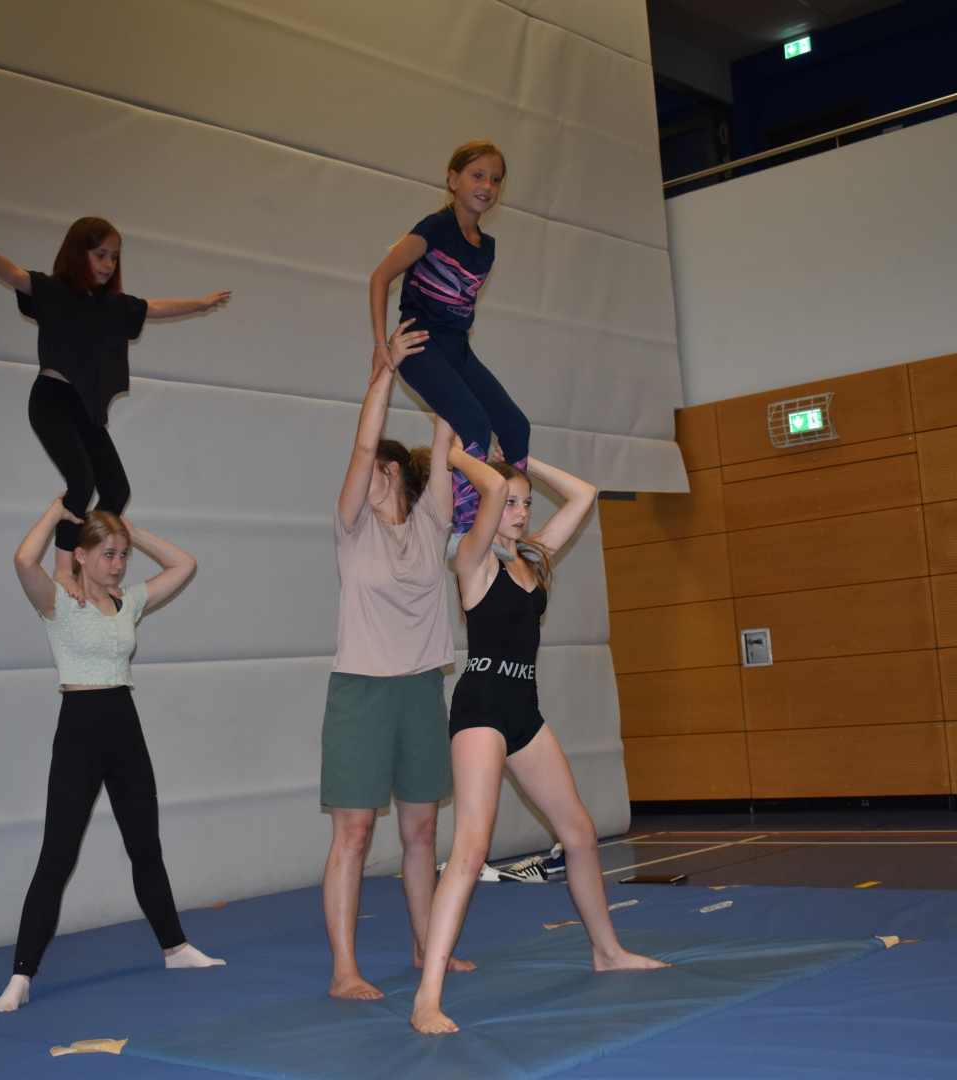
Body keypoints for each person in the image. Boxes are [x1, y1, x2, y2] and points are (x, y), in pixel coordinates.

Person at [410, 449, 666, 1034]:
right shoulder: (472, 559)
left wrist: (527, 460)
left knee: (579, 833)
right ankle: (428, 997)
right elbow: (490, 493)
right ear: (487, 504)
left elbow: (584, 494)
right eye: (511, 502)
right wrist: (460, 454)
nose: (522, 511)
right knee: (471, 848)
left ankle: (607, 951)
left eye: (526, 503)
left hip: (524, 709)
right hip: (481, 711)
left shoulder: (532, 558)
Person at [0, 498, 224, 1013]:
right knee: (57, 857)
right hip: (79, 732)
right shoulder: (57, 602)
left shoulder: (128, 602)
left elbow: (185, 564)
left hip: (125, 729)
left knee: (146, 846)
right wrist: (57, 513)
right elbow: (23, 560)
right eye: (108, 554)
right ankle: (21, 976)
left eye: (122, 555)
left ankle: (176, 948)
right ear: (81, 555)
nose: (118, 564)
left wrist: (132, 530)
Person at [0, 217, 229, 602]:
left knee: (116, 489)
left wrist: (201, 303)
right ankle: (63, 567)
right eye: (100, 255)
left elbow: (155, 307)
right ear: (79, 252)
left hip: (87, 412)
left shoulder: (112, 306)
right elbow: (13, 274)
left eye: (114, 257)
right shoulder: (54, 290)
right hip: (52, 400)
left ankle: (87, 566)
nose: (108, 263)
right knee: (81, 481)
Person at [322, 319, 475, 1000]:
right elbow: (363, 442)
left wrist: (450, 359)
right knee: (354, 833)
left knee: (422, 830)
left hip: (419, 691)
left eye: (374, 470)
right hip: (361, 692)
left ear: (392, 473)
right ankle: (344, 970)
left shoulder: (432, 522)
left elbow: (446, 431)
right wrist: (385, 369)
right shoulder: (353, 529)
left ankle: (425, 946)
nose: (363, 475)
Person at [367, 141, 529, 548]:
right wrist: (380, 343)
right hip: (421, 344)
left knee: (515, 427)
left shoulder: (487, 248)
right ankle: (465, 528)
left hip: (456, 348)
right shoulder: (435, 228)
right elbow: (380, 277)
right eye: (478, 176)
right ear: (453, 180)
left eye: (495, 180)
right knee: (475, 425)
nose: (487, 186)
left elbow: (459, 305)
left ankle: (505, 518)